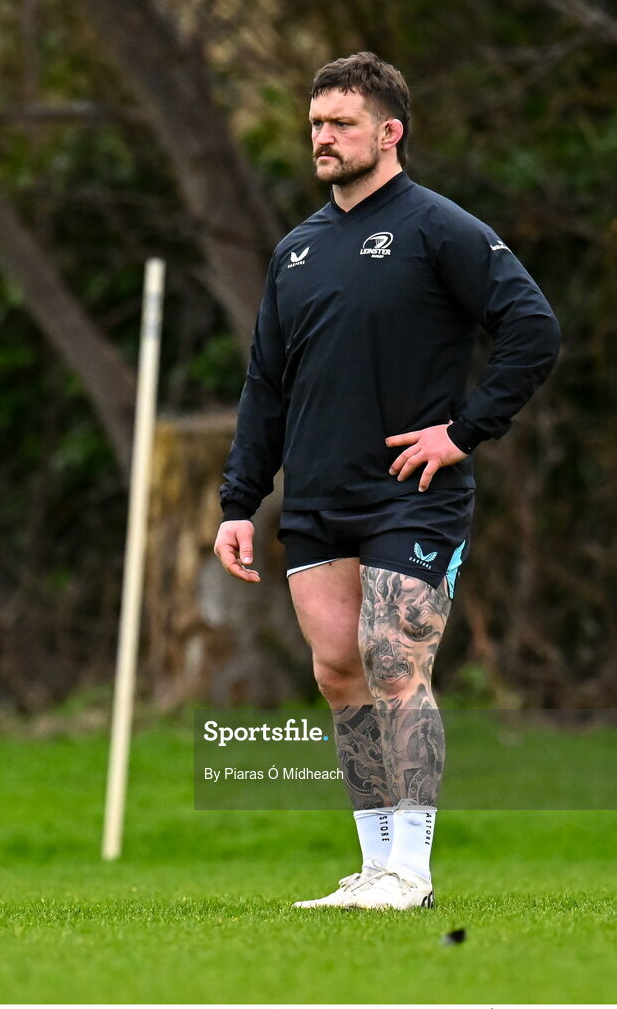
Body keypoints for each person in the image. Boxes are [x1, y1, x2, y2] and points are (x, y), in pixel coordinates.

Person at [213, 51, 560, 910]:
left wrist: (464, 432)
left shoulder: (438, 226)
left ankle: (412, 871)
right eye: (314, 124)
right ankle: (373, 867)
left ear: (388, 131)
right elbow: (266, 383)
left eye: (339, 123)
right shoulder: (296, 249)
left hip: (411, 492)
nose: (320, 138)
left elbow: (532, 329)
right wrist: (237, 503)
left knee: (394, 663)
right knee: (339, 674)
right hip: (318, 498)